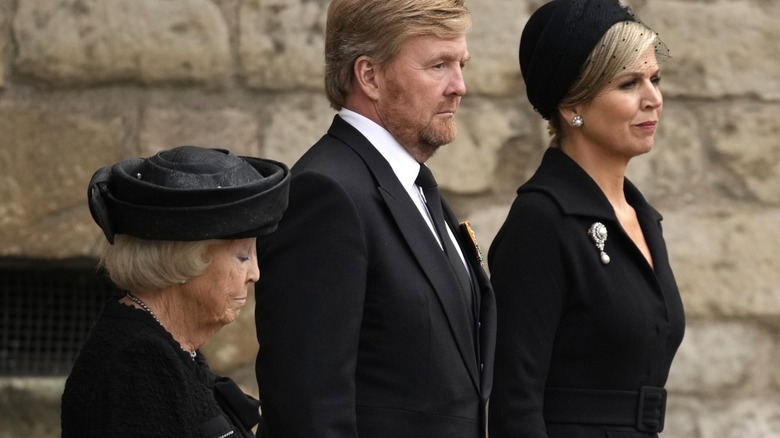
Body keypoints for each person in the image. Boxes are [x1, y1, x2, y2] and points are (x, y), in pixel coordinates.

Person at [253, 1, 496, 437]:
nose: (459, 85)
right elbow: (309, 408)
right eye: (438, 65)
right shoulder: (327, 194)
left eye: (461, 64)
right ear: (370, 76)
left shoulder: (411, 184)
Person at [487, 0, 686, 437]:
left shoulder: (641, 218)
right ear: (571, 105)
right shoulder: (541, 221)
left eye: (655, 79)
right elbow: (513, 402)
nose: (654, 99)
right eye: (629, 84)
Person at [61, 146, 289, 438]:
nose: (255, 274)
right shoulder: (136, 363)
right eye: (242, 256)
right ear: (184, 263)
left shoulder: (169, 347)